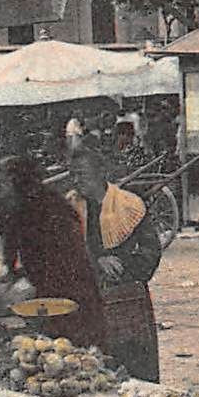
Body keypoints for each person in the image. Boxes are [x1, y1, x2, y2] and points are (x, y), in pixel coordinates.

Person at [0, 154, 106, 347]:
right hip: (51, 284)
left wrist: (23, 277)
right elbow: (13, 247)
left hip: (69, 287)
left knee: (70, 345)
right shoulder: (20, 206)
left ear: (17, 182)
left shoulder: (48, 208)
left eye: (2, 184)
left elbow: (56, 257)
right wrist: (13, 272)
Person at [65, 147, 164, 380]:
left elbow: (151, 251)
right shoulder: (71, 206)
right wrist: (96, 260)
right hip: (89, 299)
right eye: (74, 175)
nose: (77, 181)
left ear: (101, 172)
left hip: (127, 300)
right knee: (93, 371)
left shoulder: (129, 204)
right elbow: (66, 251)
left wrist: (123, 267)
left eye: (83, 174)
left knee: (137, 370)